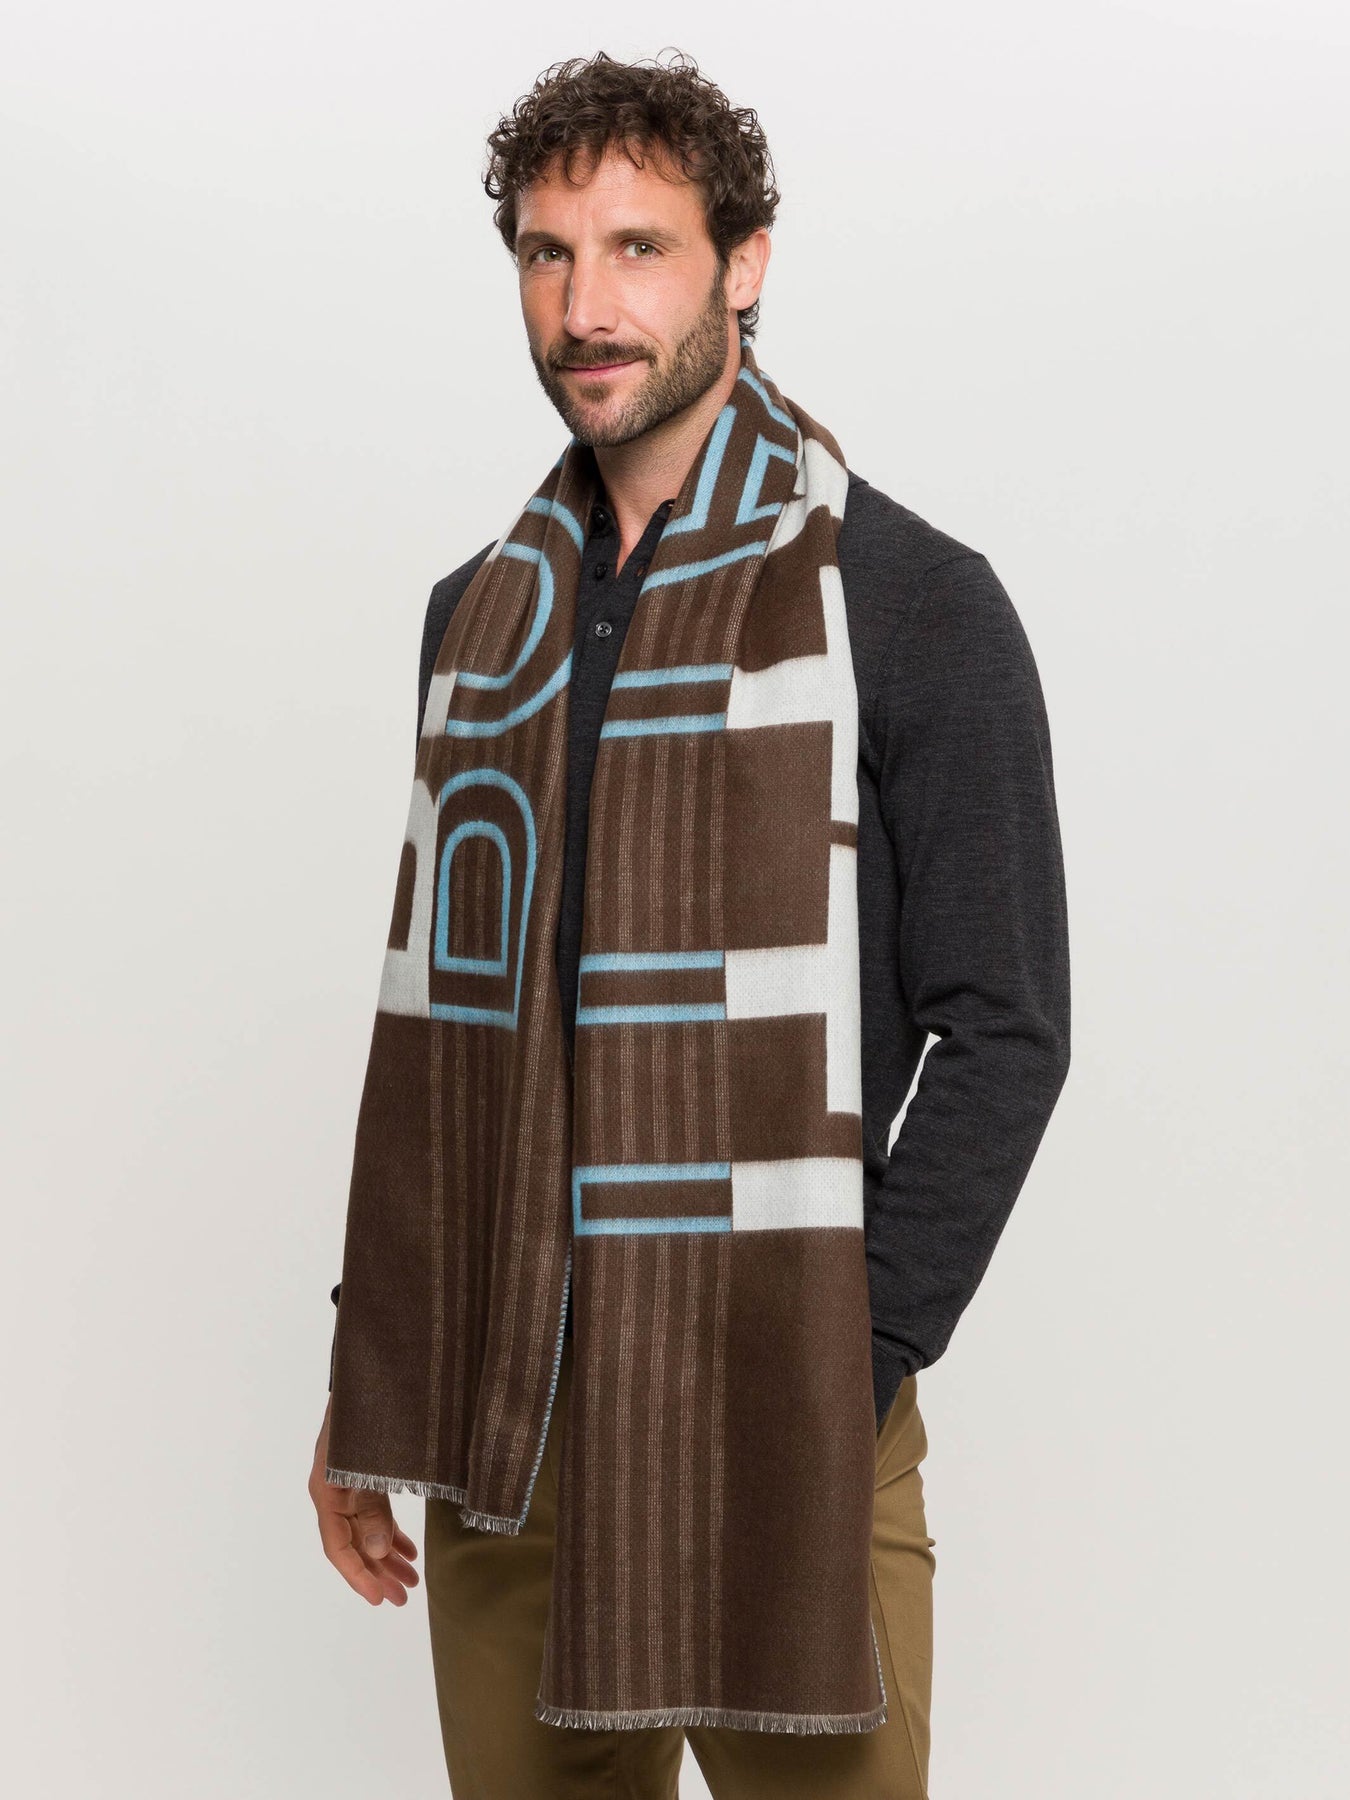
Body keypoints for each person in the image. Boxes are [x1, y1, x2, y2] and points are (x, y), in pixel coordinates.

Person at [308, 48, 1070, 1800]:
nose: (586, 306)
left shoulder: (909, 604)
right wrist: (375, 1363)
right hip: (502, 1417)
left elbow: (1005, 1024)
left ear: (744, 263)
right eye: (547, 252)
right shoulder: (476, 620)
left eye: (638, 247)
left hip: (776, 1406)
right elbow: (455, 1029)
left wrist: (851, 1356)